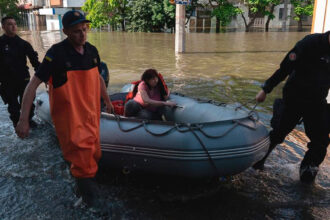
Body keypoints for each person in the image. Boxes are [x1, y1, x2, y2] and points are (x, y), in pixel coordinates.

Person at [15, 10, 114, 211]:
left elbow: (98, 78)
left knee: (94, 155)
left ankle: (79, 190)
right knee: (82, 161)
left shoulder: (92, 51)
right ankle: (90, 204)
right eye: (77, 31)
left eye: (84, 29)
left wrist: (107, 100)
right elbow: (32, 85)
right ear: (66, 31)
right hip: (70, 121)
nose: (82, 34)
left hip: (90, 116)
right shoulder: (56, 54)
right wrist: (23, 119)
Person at [253, 31, 330, 184]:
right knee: (278, 133)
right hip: (295, 96)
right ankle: (256, 164)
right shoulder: (309, 43)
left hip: (317, 100)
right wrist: (266, 89)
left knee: (321, 142)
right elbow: (285, 68)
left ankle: (307, 176)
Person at [0, 16, 40, 128]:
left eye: (15, 24)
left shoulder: (24, 44)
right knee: (13, 108)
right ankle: (17, 126)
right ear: (3, 27)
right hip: (7, 82)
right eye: (9, 24)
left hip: (23, 79)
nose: (13, 26)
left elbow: (35, 61)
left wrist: (44, 76)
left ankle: (29, 121)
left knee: (28, 104)